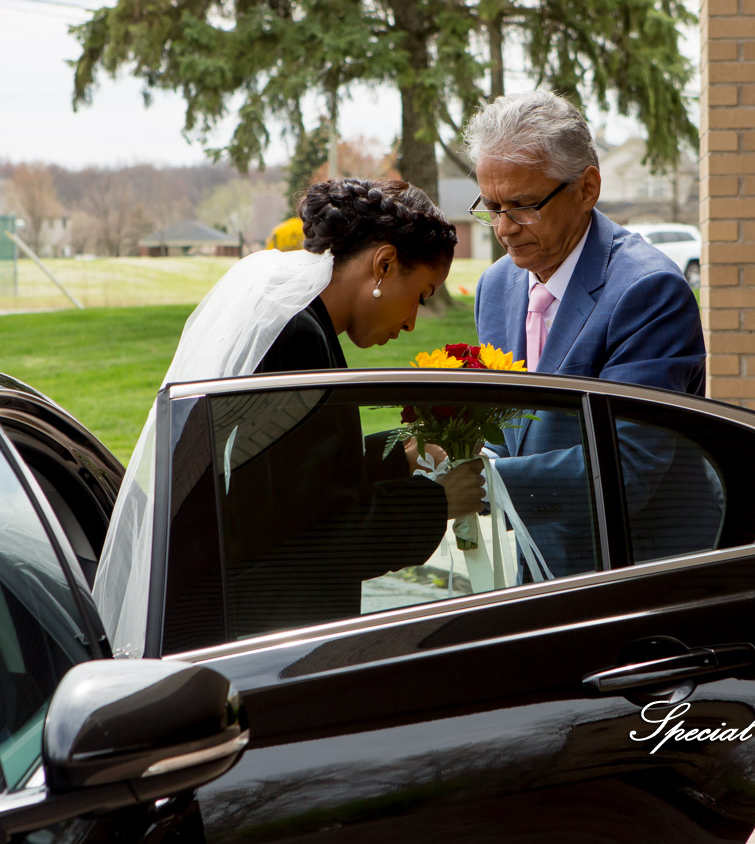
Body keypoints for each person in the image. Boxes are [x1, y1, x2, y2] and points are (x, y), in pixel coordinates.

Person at [94, 179, 484, 651]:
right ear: (383, 264)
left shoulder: (300, 324)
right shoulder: (299, 341)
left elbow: (286, 487)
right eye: (420, 296)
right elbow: (313, 537)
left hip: (226, 613)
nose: (411, 323)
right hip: (243, 636)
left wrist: (395, 457)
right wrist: (436, 503)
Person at [463, 92, 719, 580]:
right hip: (540, 572)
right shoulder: (495, 288)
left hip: (637, 576)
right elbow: (510, 435)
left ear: (587, 188)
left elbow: (629, 469)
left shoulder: (648, 290)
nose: (503, 229)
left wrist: (481, 484)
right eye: (491, 206)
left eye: (522, 206)